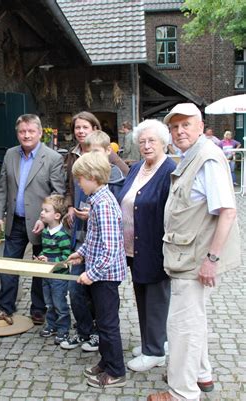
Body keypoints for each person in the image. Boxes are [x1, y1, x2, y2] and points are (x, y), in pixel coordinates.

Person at [148, 104, 241, 401]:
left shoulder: (207, 159)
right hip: (189, 257)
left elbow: (227, 211)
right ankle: (201, 375)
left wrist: (211, 261)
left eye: (186, 125)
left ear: (201, 126)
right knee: (194, 320)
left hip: (195, 260)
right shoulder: (193, 157)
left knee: (182, 327)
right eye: (174, 127)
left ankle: (181, 393)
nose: (180, 131)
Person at [0, 114, 65, 325]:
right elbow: (1, 188)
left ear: (39, 132)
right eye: (22, 131)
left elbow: (58, 194)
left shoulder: (53, 158)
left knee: (39, 267)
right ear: (17, 133)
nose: (26, 135)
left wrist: (47, 220)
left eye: (31, 131)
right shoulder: (10, 154)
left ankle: (38, 309)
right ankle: (5, 307)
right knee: (9, 267)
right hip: (15, 221)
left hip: (41, 223)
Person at [61, 112, 128, 352]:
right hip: (84, 239)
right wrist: (80, 251)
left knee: (104, 309)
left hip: (104, 260)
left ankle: (109, 356)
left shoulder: (107, 194)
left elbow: (110, 241)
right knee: (76, 292)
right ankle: (86, 334)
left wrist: (95, 271)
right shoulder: (81, 173)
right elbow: (70, 189)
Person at [116, 119, 176, 372]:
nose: (146, 145)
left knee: (156, 298)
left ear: (163, 142)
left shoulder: (170, 170)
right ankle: (153, 343)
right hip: (133, 247)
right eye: (142, 141)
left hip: (155, 246)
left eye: (151, 140)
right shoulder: (138, 167)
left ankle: (155, 352)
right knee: (142, 295)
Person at [68, 151, 127, 389]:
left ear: (92, 177)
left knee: (108, 324)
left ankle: (116, 371)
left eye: (80, 179)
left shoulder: (103, 204)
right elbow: (95, 237)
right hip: (99, 274)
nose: (79, 184)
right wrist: (81, 253)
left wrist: (90, 274)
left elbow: (111, 249)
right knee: (102, 323)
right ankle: (106, 360)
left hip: (105, 277)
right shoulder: (97, 200)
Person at [36, 195, 71, 345]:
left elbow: (66, 259)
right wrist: (41, 257)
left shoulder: (62, 235)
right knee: (49, 303)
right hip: (47, 275)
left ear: (57, 215)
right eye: (42, 210)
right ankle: (52, 325)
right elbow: (46, 251)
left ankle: (63, 328)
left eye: (46, 210)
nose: (42, 213)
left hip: (59, 277)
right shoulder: (45, 233)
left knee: (59, 303)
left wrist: (49, 261)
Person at [85, 130, 126, 198]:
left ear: (108, 150)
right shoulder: (87, 173)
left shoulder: (116, 177)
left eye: (96, 151)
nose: (92, 156)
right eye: (88, 152)